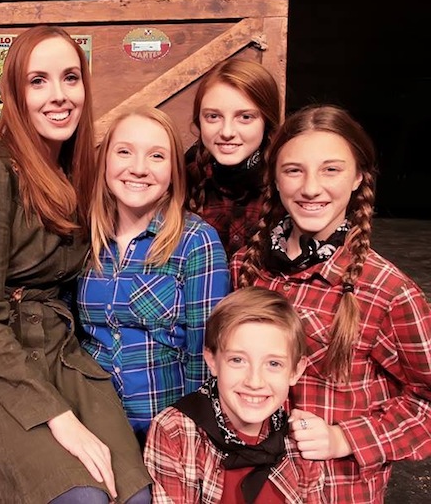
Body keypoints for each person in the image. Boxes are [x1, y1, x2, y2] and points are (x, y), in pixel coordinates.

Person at [0, 25, 152, 504]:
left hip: (54, 350)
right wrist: (57, 417)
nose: (58, 96)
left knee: (132, 493)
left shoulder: (80, 171)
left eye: (70, 78)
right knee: (81, 496)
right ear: (15, 95)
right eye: (38, 81)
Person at [232, 104, 431, 503]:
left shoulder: (388, 291)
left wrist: (344, 438)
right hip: (249, 483)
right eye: (294, 170)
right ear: (274, 176)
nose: (310, 188)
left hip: (332, 491)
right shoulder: (246, 268)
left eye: (331, 169)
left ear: (358, 176)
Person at [77, 107, 230, 444]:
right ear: (105, 163)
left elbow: (204, 357)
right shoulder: (86, 238)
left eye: (156, 156)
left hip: (162, 431)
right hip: (93, 425)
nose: (139, 168)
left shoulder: (195, 242)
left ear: (174, 172)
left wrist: (189, 438)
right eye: (124, 151)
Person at [143, 287, 325, 504]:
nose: (254, 382)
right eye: (237, 360)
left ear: (296, 370)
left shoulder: (301, 440)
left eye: (273, 364)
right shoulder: (174, 432)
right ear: (212, 360)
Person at [185, 58, 282, 257]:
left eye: (245, 117)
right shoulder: (185, 173)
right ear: (199, 120)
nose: (227, 131)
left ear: (266, 121)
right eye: (213, 116)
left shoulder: (286, 180)